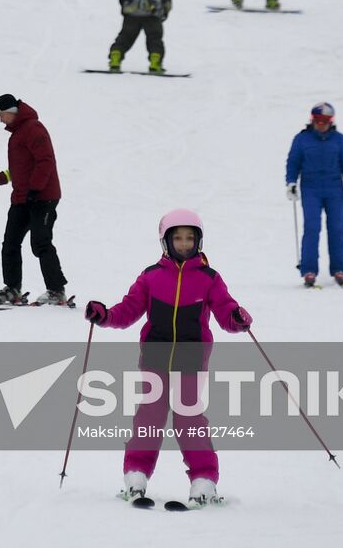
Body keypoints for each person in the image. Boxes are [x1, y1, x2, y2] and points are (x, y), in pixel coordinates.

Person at [83, 208, 252, 508]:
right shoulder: (151, 277)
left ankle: (204, 481)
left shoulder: (209, 278)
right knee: (149, 416)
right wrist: (106, 315)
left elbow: (226, 310)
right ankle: (136, 475)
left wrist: (237, 318)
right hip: (154, 356)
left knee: (189, 419)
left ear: (198, 241)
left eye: (190, 238)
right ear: (166, 241)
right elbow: (129, 310)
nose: (184, 244)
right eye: (178, 238)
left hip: (192, 356)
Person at [0, 95, 70, 304]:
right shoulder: (18, 133)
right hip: (22, 198)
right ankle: (12, 288)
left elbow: (45, 161)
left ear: (11, 111)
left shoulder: (34, 128)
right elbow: (19, 170)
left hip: (43, 198)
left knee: (41, 243)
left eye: (1, 114)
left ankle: (56, 291)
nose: (0, 119)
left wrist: (35, 189)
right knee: (10, 243)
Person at [286, 102, 343, 287]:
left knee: (337, 229)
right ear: (312, 120)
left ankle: (339, 270)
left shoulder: (339, 140)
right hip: (311, 189)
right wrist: (291, 182)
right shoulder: (302, 139)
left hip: (335, 190)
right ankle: (309, 270)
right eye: (317, 120)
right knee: (312, 228)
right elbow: (293, 162)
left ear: (331, 121)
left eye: (325, 120)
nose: (321, 124)